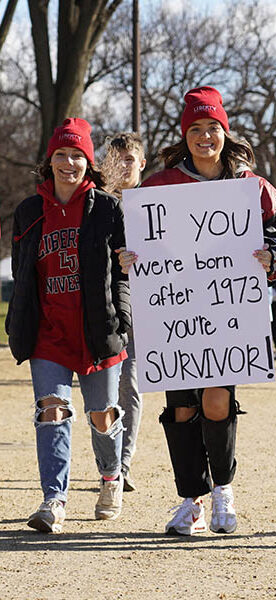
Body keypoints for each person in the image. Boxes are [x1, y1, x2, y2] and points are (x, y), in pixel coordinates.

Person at [117, 87, 276, 536]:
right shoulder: (157, 187)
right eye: (194, 129)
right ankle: (189, 500)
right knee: (180, 409)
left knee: (216, 401)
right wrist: (128, 258)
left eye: (212, 127)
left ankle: (223, 491)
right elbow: (128, 239)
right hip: (173, 317)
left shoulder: (251, 187)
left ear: (225, 132)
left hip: (226, 316)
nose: (203, 137)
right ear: (185, 135)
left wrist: (271, 259)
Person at [6, 118, 130, 533]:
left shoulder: (107, 209)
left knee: (102, 415)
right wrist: (16, 327)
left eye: (77, 155)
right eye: (61, 154)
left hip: (98, 331)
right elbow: (22, 275)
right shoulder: (29, 212)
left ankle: (111, 478)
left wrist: (122, 320)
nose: (69, 162)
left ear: (88, 163)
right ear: (50, 160)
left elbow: (124, 273)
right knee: (51, 412)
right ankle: (53, 499)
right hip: (49, 335)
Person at [102, 132, 147, 492]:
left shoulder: (156, 205)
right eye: (115, 160)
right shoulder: (96, 205)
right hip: (102, 308)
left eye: (129, 159)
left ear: (142, 163)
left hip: (144, 305)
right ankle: (107, 461)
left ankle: (122, 464)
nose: (122, 166)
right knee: (102, 392)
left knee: (130, 385)